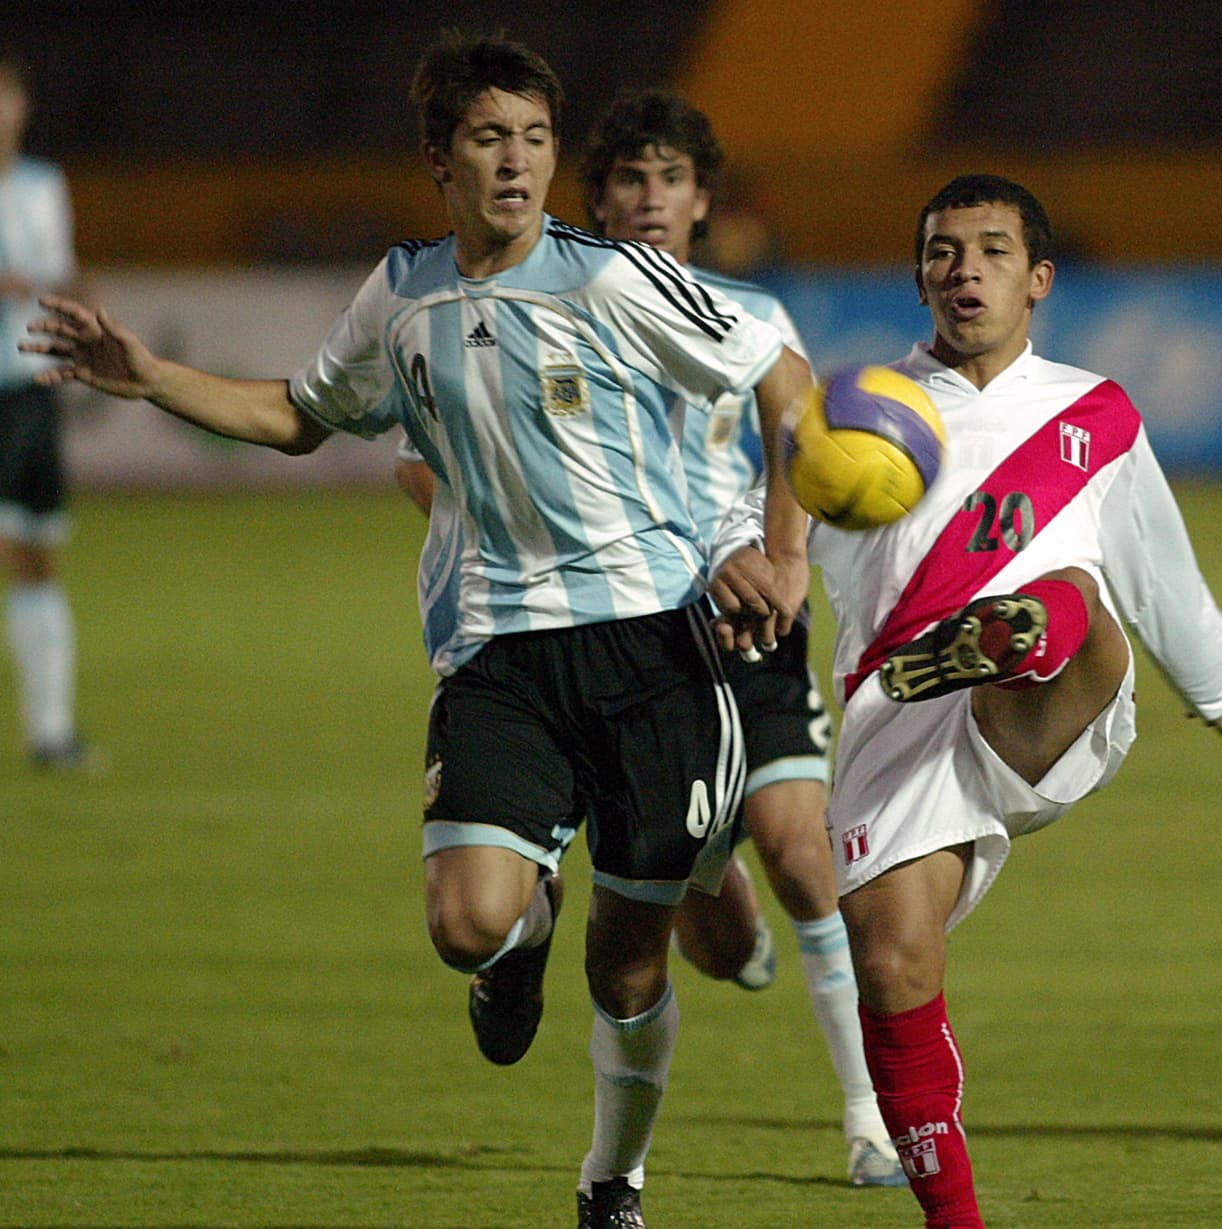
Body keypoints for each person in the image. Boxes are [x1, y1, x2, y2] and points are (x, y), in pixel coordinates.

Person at [22, 33, 813, 1229]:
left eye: (537, 139)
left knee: (630, 963)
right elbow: (298, 413)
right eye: (491, 138)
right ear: (438, 158)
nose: (517, 163)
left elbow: (782, 376)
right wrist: (148, 375)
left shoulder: (611, 279)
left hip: (655, 651)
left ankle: (611, 1181)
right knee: (463, 922)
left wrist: (786, 547)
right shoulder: (400, 294)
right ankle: (517, 927)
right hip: (499, 654)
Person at [710, 173, 1222, 1228]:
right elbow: (756, 520)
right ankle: (953, 1219)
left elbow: (1155, 565)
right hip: (894, 706)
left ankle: (1012, 632)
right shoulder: (851, 411)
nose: (965, 271)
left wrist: (1210, 675)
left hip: (1051, 704)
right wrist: (747, 557)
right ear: (918, 278)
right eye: (943, 253)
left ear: (1038, 278)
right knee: (891, 957)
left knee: (1075, 598)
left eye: (992, 251)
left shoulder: (1091, 411)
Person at [577, 86, 904, 1188]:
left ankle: (867, 1118)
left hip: (752, 617)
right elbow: (424, 454)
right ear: (600, 198)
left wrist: (789, 557)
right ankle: (731, 931)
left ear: (702, 198)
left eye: (669, 177)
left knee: (804, 851)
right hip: (629, 635)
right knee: (710, 939)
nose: (650, 196)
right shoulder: (550, 313)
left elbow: (799, 437)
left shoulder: (753, 318)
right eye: (628, 177)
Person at [0, 49, 90, 769]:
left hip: (33, 388)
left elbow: (60, 273)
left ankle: (51, 731)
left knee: (37, 552)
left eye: (7, 95)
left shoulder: (41, 184)